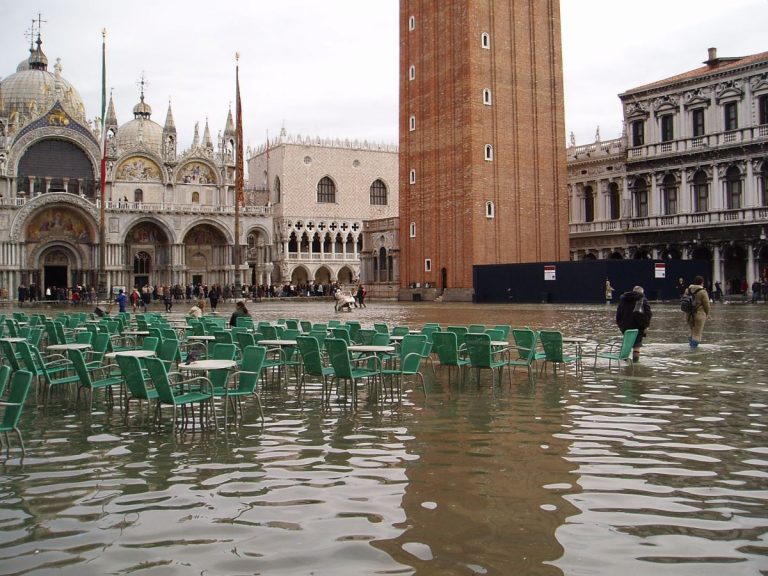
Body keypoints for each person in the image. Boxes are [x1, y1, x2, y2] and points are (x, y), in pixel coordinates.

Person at [616, 285, 652, 362]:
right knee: (637, 346)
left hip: (625, 327)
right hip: (638, 326)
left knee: (627, 345)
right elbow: (647, 314)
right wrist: (646, 326)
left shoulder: (624, 299)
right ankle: (635, 365)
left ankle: (625, 364)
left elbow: (618, 314)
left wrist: (621, 325)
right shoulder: (642, 299)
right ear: (642, 292)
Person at [685, 275, 711, 348]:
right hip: (699, 315)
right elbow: (707, 305)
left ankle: (690, 346)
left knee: (691, 332)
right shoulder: (703, 292)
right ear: (702, 282)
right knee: (697, 333)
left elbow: (684, 301)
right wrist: (708, 314)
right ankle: (693, 352)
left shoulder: (688, 290)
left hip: (688, 314)